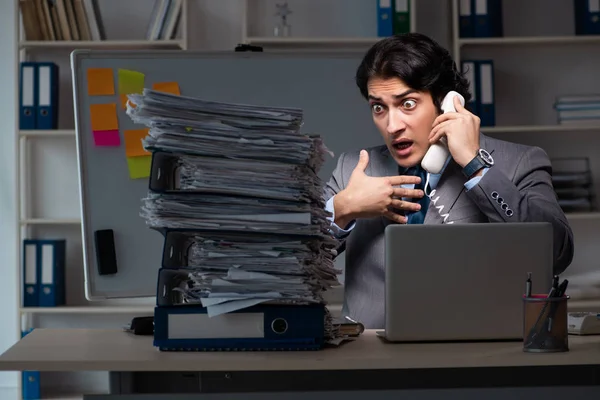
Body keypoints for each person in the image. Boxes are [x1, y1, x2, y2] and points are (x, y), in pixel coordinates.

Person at [322, 33, 574, 329]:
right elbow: (293, 262)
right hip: (371, 356)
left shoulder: (519, 162)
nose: (392, 126)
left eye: (408, 104)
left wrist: (474, 165)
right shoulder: (354, 170)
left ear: (445, 103)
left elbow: (556, 252)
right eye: (379, 108)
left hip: (473, 354)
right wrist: (341, 211)